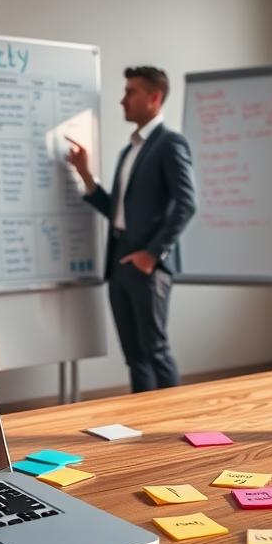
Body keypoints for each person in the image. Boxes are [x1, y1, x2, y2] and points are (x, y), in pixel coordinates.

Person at [66, 66, 196, 393]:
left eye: (130, 92)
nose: (123, 100)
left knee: (155, 351)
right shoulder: (130, 150)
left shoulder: (170, 144)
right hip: (120, 260)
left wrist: (152, 255)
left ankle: (173, 424)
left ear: (154, 97)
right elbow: (118, 211)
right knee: (134, 356)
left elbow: (187, 203)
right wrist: (85, 175)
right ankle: (145, 424)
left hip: (147, 265)